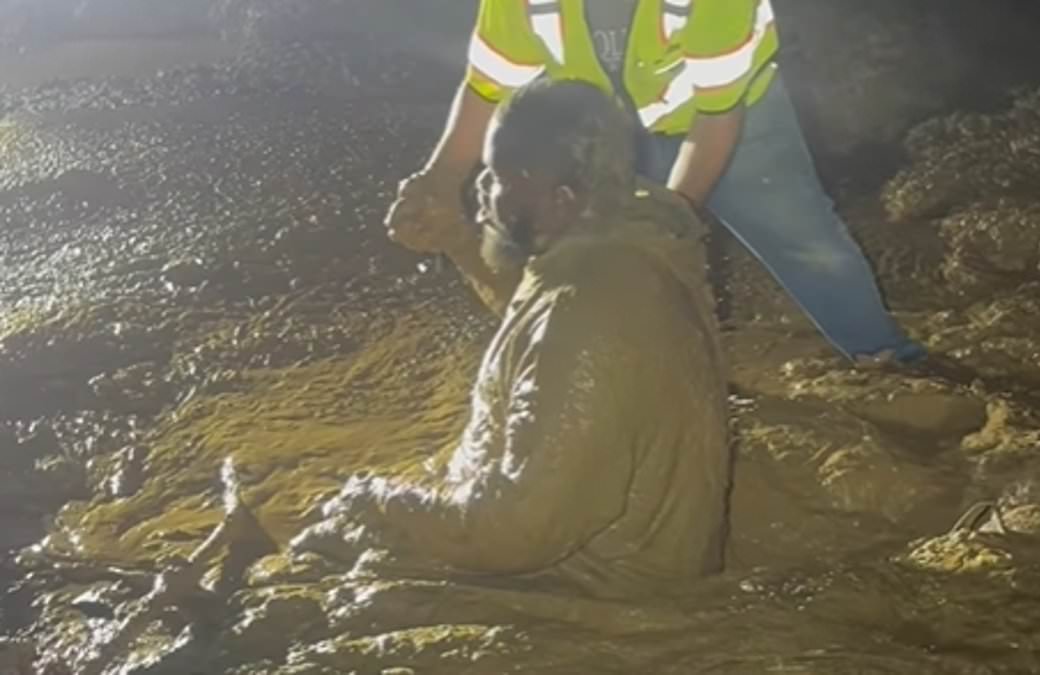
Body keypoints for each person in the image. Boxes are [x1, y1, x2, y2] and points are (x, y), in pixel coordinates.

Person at [297, 79, 730, 596]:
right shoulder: (625, 249)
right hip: (615, 556)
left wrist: (383, 504)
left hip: (591, 588)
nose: (483, 191)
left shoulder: (587, 320)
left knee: (312, 578)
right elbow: (536, 318)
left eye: (499, 179)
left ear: (561, 200)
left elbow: (518, 534)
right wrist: (459, 240)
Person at [385, 0, 926, 365]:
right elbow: (487, 85)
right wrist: (441, 179)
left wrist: (665, 220)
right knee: (561, 242)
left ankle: (889, 359)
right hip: (606, 129)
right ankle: (606, 368)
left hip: (733, 118)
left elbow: (717, 118)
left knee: (807, 244)